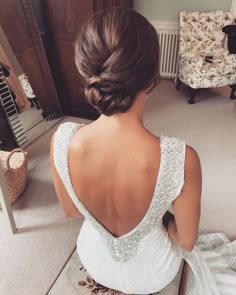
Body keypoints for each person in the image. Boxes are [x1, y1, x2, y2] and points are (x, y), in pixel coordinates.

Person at [50, 8, 236, 295]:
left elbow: (71, 210)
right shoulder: (182, 158)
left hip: (95, 261)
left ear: (87, 71)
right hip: (153, 274)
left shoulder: (61, 140)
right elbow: (186, 241)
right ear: (152, 79)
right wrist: (155, 213)